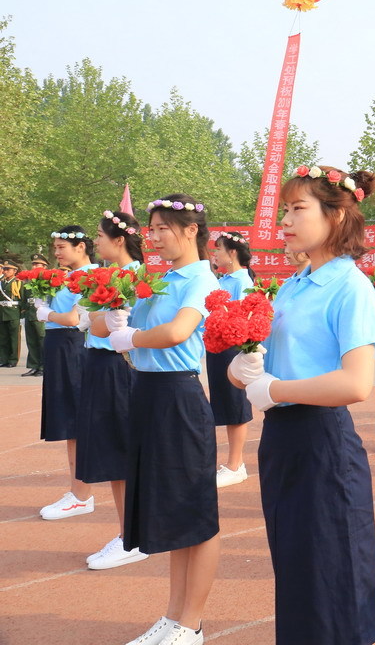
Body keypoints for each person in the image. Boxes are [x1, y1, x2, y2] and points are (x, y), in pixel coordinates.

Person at [226, 165, 375, 644]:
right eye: (285, 210)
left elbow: (358, 383)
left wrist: (274, 391)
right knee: (297, 567)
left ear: (336, 217)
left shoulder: (349, 285)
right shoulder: (293, 283)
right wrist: (245, 370)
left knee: (330, 570)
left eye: (299, 209)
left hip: (323, 442)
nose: (287, 221)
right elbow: (270, 366)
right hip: (282, 440)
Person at [91, 196, 221, 645]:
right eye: (153, 228)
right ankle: (173, 616)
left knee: (195, 512)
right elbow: (96, 327)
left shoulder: (200, 279)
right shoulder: (157, 277)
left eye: (164, 227)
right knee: (172, 510)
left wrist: (131, 335)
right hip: (146, 395)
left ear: (191, 231)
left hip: (179, 396)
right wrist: (110, 313)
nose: (155, 236)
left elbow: (178, 332)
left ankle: (193, 622)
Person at [78, 210, 148, 570]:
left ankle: (131, 536)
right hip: (101, 365)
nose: (96, 242)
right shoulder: (109, 275)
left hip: (121, 368)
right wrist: (94, 318)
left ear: (119, 239)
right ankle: (127, 531)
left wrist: (95, 318)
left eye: (101, 236)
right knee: (111, 449)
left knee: (120, 451)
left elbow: (104, 323)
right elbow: (88, 318)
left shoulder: (139, 277)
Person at [35, 226, 97, 521]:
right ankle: (77, 491)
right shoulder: (66, 276)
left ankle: (82, 495)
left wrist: (45, 313)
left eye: (62, 247)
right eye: (56, 248)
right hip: (60, 347)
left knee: (76, 422)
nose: (57, 253)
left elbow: (74, 318)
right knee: (70, 423)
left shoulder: (89, 276)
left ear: (81, 247)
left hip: (74, 348)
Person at [207, 231, 255, 488]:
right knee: (224, 403)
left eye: (218, 249)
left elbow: (241, 315)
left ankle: (236, 464)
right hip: (218, 347)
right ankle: (231, 463)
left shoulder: (241, 280)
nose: (215, 254)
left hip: (232, 348)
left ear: (232, 253)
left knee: (235, 403)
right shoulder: (224, 279)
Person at [20, 254, 49, 376]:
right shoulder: (29, 280)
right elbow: (24, 298)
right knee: (31, 341)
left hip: (41, 315)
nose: (35, 266)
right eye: (33, 264)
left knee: (42, 341)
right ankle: (34, 366)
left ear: (45, 267)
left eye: (38, 264)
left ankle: (43, 366)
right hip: (30, 314)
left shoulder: (47, 280)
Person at [0, 260, 20, 367]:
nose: (5, 271)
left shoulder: (17, 282)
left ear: (15, 271)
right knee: (3, 337)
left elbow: (22, 298)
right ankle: (3, 359)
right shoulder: (1, 282)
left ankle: (12, 360)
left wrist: (21, 312)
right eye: (4, 269)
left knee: (13, 338)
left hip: (13, 312)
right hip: (2, 312)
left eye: (8, 269)